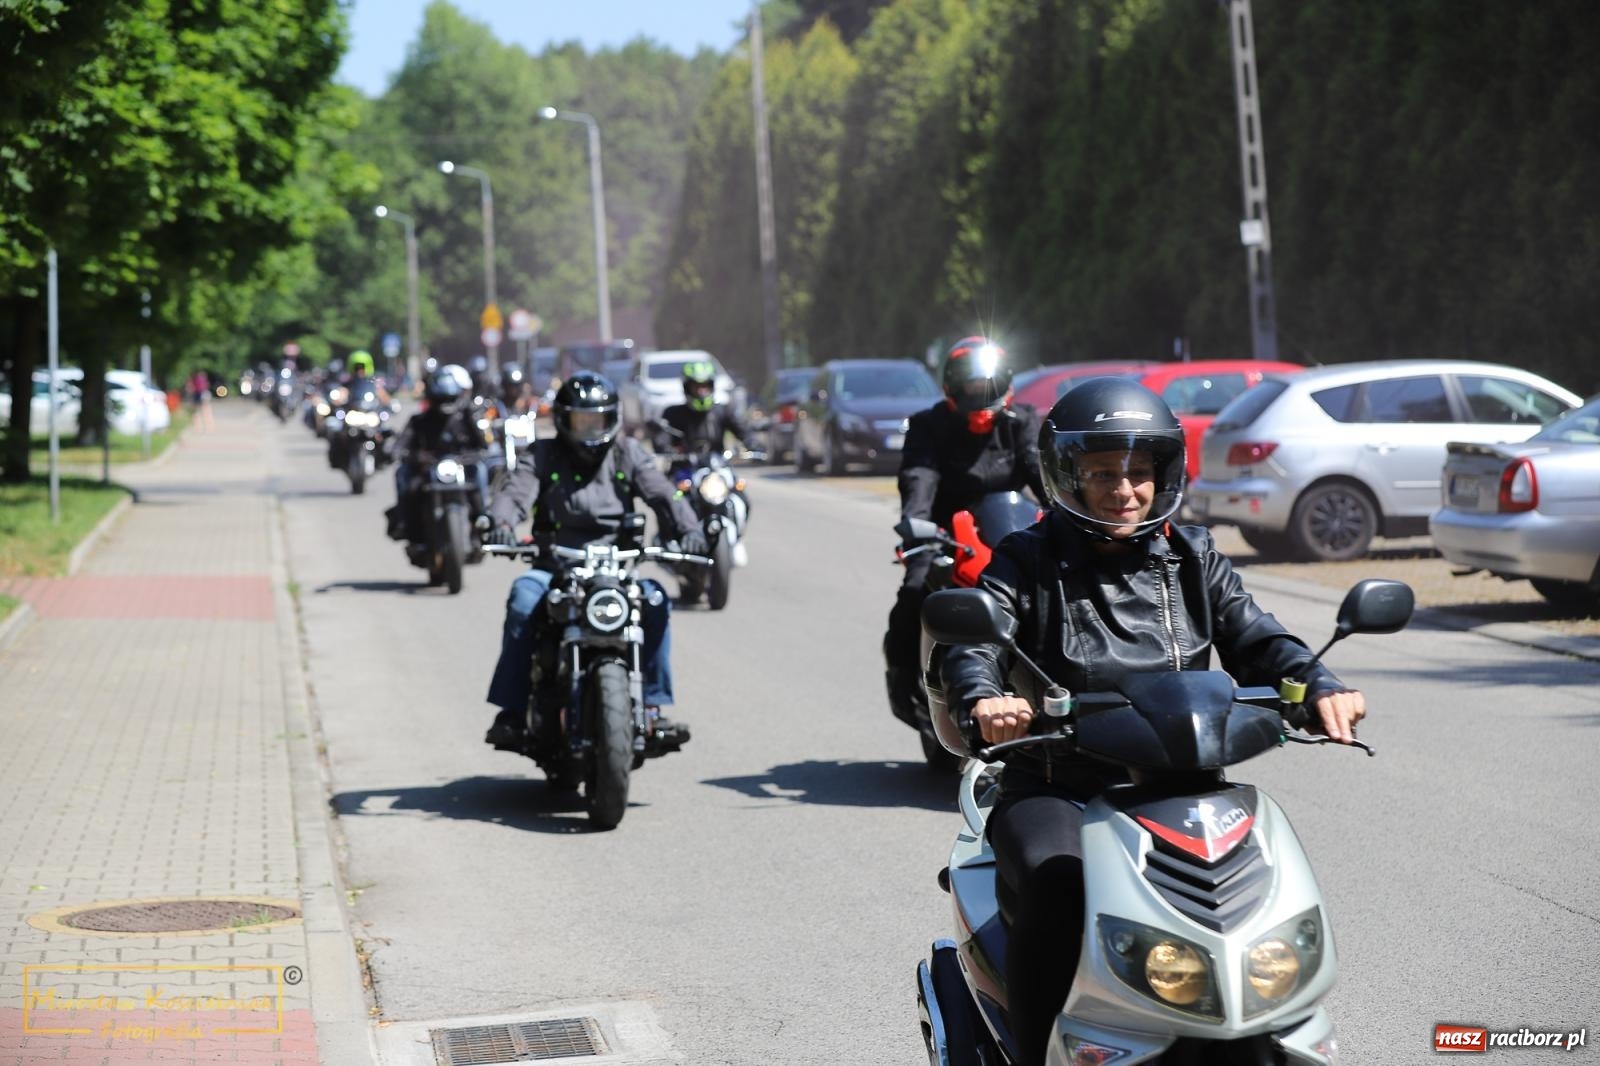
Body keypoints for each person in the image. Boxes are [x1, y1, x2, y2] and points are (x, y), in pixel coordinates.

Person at [940, 377, 1367, 1066]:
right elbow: (976, 646)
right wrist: (984, 700)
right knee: (1058, 883)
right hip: (1059, 786)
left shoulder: (1194, 557)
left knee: (1266, 894)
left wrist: (1317, 682)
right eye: (1103, 473)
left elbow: (1259, 638)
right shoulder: (1028, 559)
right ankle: (1036, 1052)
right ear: (1066, 476)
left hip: (1184, 786)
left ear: (1162, 476)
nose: (1124, 490)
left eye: (1139, 473)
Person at [481, 371, 709, 751]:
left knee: (654, 601)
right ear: (563, 420)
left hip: (616, 568)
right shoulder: (542, 454)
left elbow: (663, 494)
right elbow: (516, 492)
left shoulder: (627, 453)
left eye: (597, 420)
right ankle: (513, 711)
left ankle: (651, 706)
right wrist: (500, 522)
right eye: (581, 421)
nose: (590, 430)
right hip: (554, 566)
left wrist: (690, 528)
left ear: (612, 418)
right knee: (523, 597)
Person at [883, 336, 1047, 728]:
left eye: (986, 385)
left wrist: (1065, 513)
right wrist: (916, 527)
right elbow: (918, 477)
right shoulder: (928, 426)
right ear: (950, 388)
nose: (979, 393)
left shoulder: (1022, 421)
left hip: (1011, 536)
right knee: (912, 594)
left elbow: (1040, 470)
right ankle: (904, 682)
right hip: (944, 536)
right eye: (970, 386)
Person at [386, 364, 485, 542]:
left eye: (449, 399)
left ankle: (483, 520)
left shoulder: (465, 418)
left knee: (480, 472)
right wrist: (402, 454)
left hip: (461, 467)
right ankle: (406, 526)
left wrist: (475, 455)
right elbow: (402, 443)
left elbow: (482, 444)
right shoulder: (419, 420)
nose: (445, 406)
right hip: (428, 469)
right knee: (403, 474)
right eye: (440, 400)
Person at [651, 360, 756, 455]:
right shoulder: (672, 414)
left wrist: (753, 444)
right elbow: (662, 439)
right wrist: (665, 447)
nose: (701, 392)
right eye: (696, 387)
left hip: (717, 466)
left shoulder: (723, 411)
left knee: (736, 477)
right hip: (685, 468)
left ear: (711, 387)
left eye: (704, 387)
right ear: (687, 388)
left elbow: (743, 431)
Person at [187, 368, 214, 433]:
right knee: (206, 411)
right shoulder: (203, 379)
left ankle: (198, 427)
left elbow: (190, 388)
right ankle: (209, 426)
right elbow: (207, 385)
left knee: (196, 412)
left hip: (197, 395)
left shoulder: (193, 378)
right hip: (204, 394)